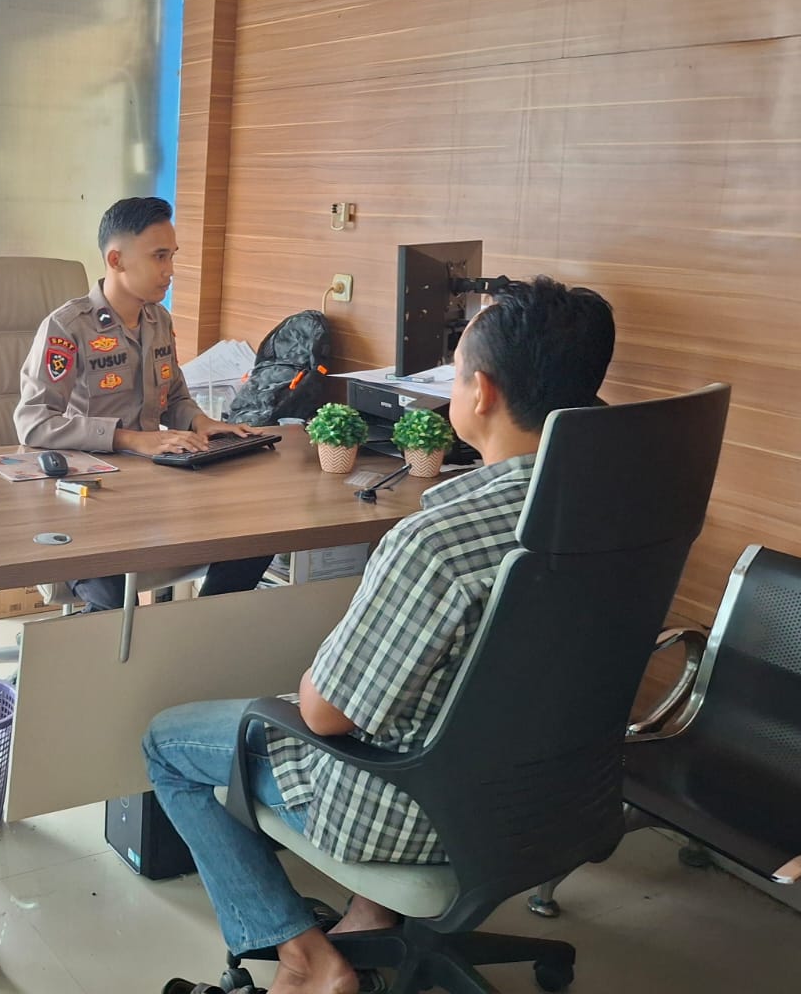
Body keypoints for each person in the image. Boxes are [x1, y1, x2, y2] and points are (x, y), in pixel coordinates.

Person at [143, 276, 616, 994]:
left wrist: (316, 674)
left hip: (407, 812)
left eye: (454, 370)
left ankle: (302, 954)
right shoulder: (625, 510)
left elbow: (325, 715)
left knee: (167, 744)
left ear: (481, 393)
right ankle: (370, 919)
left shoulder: (438, 543)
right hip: (555, 793)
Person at [14, 196, 275, 611]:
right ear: (116, 260)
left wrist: (200, 422)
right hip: (86, 499)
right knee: (116, 601)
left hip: (155, 488)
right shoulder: (67, 327)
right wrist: (130, 439)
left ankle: (199, 629)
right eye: (159, 256)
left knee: (257, 537)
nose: (170, 270)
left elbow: (175, 398)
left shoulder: (159, 320)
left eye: (172, 256)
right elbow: (33, 423)